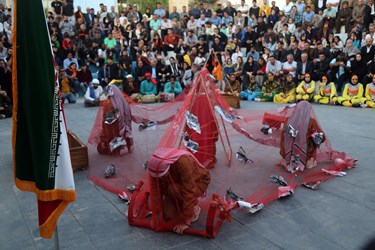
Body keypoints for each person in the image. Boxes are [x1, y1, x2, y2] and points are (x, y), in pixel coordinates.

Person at [148, 147, 211, 235]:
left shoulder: (183, 162)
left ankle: (194, 206)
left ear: (168, 168)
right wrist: (156, 213)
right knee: (167, 217)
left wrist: (186, 220)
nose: (160, 179)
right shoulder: (154, 165)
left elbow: (189, 190)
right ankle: (182, 205)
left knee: (173, 189)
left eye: (162, 176)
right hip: (174, 183)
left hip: (197, 181)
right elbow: (155, 189)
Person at [279, 101, 326, 172]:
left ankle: (286, 159)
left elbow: (283, 135)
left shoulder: (289, 120)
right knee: (316, 137)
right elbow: (322, 138)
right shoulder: (311, 122)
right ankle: (307, 161)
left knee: (287, 138)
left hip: (287, 150)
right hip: (303, 152)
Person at [97, 85, 133, 154]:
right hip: (124, 129)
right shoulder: (124, 103)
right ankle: (127, 145)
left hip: (114, 130)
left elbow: (107, 123)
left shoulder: (110, 105)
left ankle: (116, 148)